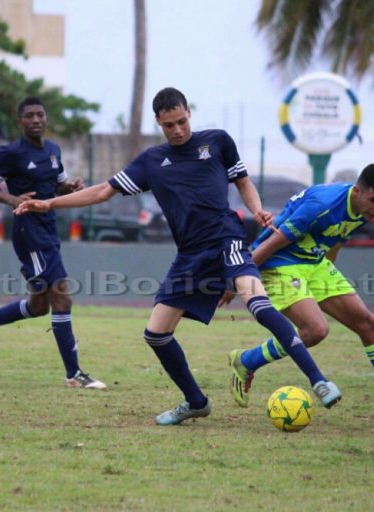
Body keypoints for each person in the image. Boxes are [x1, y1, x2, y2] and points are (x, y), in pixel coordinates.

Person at [17, 87, 339, 425]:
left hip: (225, 237)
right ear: (159, 123)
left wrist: (257, 210)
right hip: (190, 255)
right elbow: (102, 191)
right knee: (156, 333)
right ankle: (196, 401)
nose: (178, 130)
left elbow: (242, 182)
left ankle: (318, 380)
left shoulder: (217, 142)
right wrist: (49, 202)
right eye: (169, 125)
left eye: (182, 121)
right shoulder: (151, 162)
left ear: (189, 112)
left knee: (256, 300)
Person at [220, 163, 374, 425]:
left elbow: (336, 239)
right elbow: (272, 242)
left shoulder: (362, 209)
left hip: (315, 265)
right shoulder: (322, 206)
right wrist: (234, 282)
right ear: (357, 191)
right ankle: (247, 360)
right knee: (315, 330)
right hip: (279, 263)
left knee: (368, 325)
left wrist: (327, 280)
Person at [0, 96, 106, 391]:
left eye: (40, 115)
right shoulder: (11, 153)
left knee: (39, 307)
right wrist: (12, 198)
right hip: (29, 232)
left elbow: (56, 185)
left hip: (48, 229)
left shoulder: (52, 150)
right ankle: (74, 374)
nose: (36, 120)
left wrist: (71, 187)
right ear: (20, 122)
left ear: (46, 119)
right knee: (62, 297)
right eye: (29, 116)